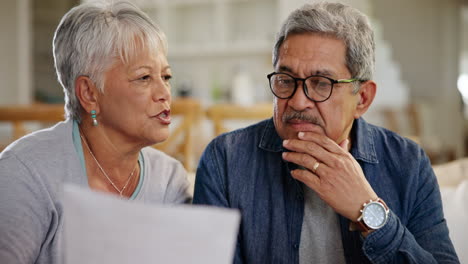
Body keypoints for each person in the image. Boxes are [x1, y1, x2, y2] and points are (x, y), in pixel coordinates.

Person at [193, 2, 459, 263]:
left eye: (321, 84)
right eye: (286, 80)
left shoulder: (408, 164)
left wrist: (367, 211)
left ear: (363, 99)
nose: (297, 101)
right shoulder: (225, 160)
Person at [0, 1, 191, 263]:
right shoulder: (25, 172)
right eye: (144, 78)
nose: (164, 93)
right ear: (89, 93)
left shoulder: (169, 180)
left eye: (166, 77)